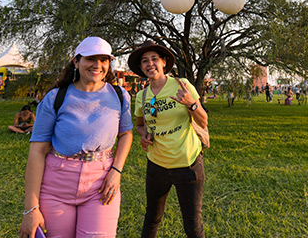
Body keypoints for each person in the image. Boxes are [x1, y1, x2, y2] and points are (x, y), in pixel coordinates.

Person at [19, 37, 133, 238]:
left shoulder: (120, 95)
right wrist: (31, 209)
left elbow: (126, 134)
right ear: (76, 61)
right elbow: (37, 151)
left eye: (104, 60)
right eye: (91, 58)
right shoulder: (55, 98)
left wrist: (117, 170)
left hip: (101, 186)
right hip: (56, 187)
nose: (97, 65)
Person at [128, 40, 208, 238]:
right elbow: (139, 125)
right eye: (145, 61)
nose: (150, 64)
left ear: (164, 62)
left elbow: (204, 121)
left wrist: (191, 104)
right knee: (152, 219)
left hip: (188, 165)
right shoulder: (141, 96)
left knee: (193, 226)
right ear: (141, 67)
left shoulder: (182, 85)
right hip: (156, 166)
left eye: (154, 59)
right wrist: (143, 136)